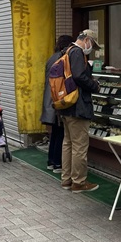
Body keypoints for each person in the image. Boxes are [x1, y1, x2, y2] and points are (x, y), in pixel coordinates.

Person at [60, 29, 101, 193]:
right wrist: (94, 85)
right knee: (79, 146)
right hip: (78, 106)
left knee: (68, 143)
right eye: (92, 44)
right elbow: (79, 76)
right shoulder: (77, 52)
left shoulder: (67, 50)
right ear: (87, 40)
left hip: (66, 104)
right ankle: (78, 182)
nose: (91, 48)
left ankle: (66, 179)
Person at [41, 35, 74, 173]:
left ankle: (51, 161)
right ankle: (57, 163)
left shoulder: (52, 58)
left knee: (55, 132)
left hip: (50, 99)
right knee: (60, 133)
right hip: (58, 100)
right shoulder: (63, 58)